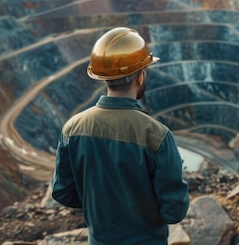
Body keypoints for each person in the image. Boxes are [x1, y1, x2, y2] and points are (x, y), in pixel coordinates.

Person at [51, 27, 190, 245]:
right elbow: (174, 211)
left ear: (102, 77)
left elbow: (62, 192)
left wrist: (102, 208)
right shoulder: (157, 135)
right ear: (141, 76)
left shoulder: (73, 128)